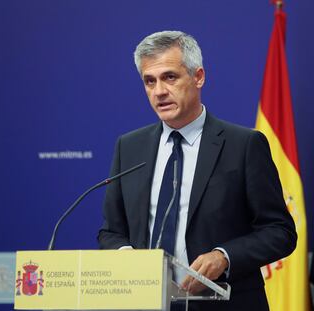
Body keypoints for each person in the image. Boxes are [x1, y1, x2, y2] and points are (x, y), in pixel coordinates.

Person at [98, 30, 297, 311]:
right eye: (149, 81)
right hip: (146, 303)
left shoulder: (243, 145)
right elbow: (111, 232)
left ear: (198, 76)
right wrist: (126, 255)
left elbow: (280, 232)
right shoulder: (129, 147)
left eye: (169, 77)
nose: (159, 91)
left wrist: (224, 256)